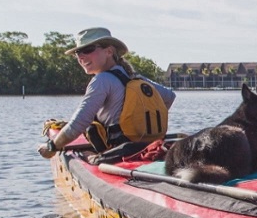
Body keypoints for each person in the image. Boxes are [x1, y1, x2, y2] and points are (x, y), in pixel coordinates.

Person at [37, 27, 176, 158]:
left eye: (88, 49)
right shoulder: (135, 78)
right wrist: (144, 125)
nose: (81, 57)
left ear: (109, 51)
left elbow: (79, 123)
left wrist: (52, 146)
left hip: (120, 154)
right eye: (77, 53)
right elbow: (169, 97)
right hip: (147, 147)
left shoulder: (102, 80)